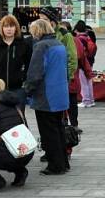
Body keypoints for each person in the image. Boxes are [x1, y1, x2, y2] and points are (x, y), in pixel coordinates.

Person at [24, 19, 70, 175]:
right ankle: (63, 162)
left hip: (46, 95)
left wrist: (28, 90)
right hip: (60, 93)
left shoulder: (40, 46)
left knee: (48, 132)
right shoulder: (59, 44)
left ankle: (55, 165)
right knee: (58, 129)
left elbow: (35, 72)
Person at [0, 14, 33, 112]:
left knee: (18, 116)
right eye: (6, 26)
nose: (9, 29)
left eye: (11, 26)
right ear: (2, 28)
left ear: (16, 28)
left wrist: (23, 78)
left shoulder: (23, 44)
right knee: (0, 116)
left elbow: (30, 64)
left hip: (17, 88)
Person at [74, 21, 96, 109]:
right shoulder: (88, 37)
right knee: (89, 81)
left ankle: (86, 100)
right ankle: (91, 100)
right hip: (90, 61)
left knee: (83, 82)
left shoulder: (79, 39)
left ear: (76, 30)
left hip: (82, 62)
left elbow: (79, 52)